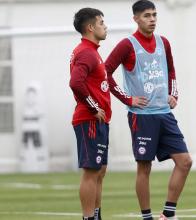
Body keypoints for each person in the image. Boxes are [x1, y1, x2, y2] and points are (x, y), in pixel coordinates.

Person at [105, 1, 192, 220]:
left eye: (154, 15)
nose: (152, 19)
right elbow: (104, 73)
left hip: (164, 113)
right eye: (146, 15)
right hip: (141, 117)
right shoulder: (127, 45)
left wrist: (175, 94)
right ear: (135, 18)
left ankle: (168, 214)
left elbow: (171, 70)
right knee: (144, 168)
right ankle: (147, 217)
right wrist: (127, 98)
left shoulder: (164, 43)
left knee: (185, 162)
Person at [70, 7, 109, 220]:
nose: (105, 26)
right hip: (89, 119)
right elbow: (75, 82)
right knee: (91, 171)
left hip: (100, 120)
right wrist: (94, 107)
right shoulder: (85, 51)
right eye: (102, 22)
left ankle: (96, 215)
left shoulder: (92, 51)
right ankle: (88, 217)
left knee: (100, 171)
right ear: (91, 27)